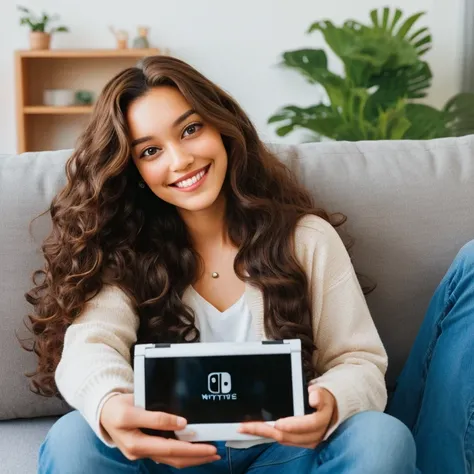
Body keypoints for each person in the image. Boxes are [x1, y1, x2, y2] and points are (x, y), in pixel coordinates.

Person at [26, 55, 417, 474]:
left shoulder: (306, 238)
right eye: (151, 150)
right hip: (169, 456)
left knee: (382, 437)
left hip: (286, 454)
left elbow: (359, 361)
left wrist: (333, 400)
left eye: (191, 129)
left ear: (222, 126)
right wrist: (111, 402)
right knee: (72, 440)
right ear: (134, 168)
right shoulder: (126, 249)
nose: (180, 161)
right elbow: (90, 345)